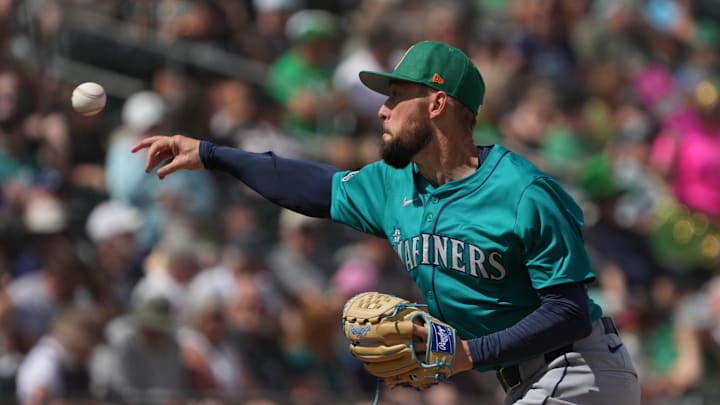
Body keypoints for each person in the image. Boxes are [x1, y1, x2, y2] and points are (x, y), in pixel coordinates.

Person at [131, 40, 640, 404]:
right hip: (526, 379)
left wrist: (467, 352)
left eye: (397, 96)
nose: (382, 110)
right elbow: (311, 187)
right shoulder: (394, 184)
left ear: (438, 104)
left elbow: (569, 311)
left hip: (578, 370)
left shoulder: (523, 193)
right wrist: (211, 153)